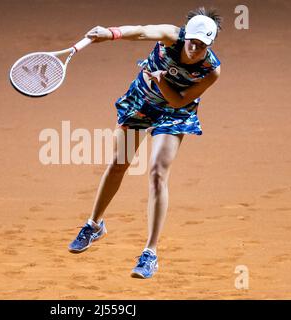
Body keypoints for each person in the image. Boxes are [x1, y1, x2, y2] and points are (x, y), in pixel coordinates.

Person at [68, 7, 222, 279]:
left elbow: (178, 101)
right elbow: (140, 31)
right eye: (192, 42)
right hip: (141, 103)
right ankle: (94, 225)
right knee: (118, 164)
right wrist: (110, 33)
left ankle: (150, 253)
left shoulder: (211, 70)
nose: (195, 49)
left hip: (174, 113)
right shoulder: (170, 35)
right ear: (185, 35)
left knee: (157, 174)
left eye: (202, 46)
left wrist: (162, 82)